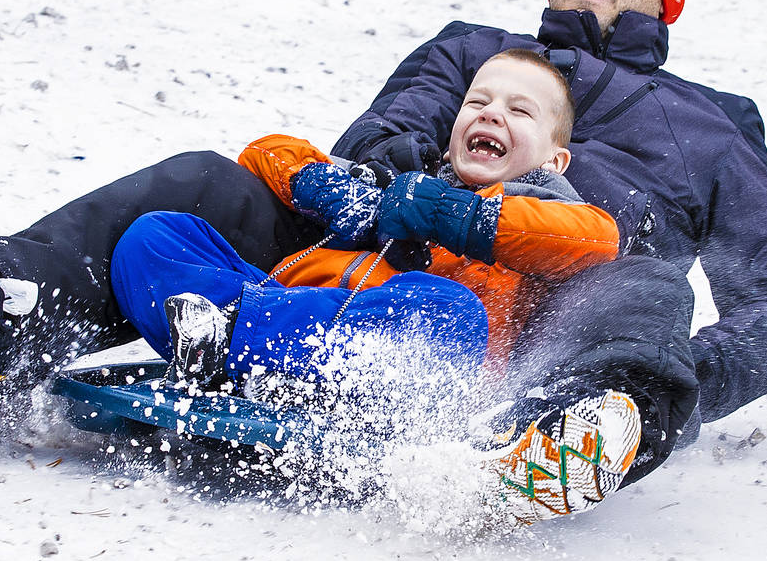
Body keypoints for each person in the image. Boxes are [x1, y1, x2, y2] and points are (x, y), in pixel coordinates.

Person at [0, 0, 767, 517]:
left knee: (641, 285)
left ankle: (572, 437)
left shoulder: (714, 126)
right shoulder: (476, 48)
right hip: (381, 258)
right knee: (203, 184)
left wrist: (676, 386)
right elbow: (375, 142)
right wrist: (409, 191)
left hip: (543, 316)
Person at [108, 49, 635, 522]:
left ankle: (225, 341)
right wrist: (320, 186)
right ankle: (225, 340)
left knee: (451, 307)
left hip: (391, 369)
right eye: (478, 102)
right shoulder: (401, 179)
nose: (492, 113)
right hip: (281, 312)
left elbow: (595, 240)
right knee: (158, 235)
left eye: (520, 111)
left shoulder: (550, 211)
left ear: (554, 158)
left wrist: (458, 217)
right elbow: (266, 150)